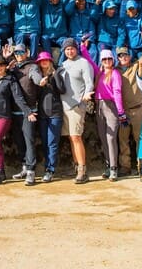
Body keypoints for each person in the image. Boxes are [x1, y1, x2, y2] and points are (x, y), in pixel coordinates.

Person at [0, 54, 37, 185]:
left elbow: (18, 97)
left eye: (2, 65)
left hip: (4, 116)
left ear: (5, 66)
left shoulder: (10, 80)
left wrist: (28, 112)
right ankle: (0, 171)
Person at [80, 42, 126, 181]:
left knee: (111, 138)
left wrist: (120, 112)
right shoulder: (99, 73)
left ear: (113, 60)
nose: (107, 61)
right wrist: (83, 48)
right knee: (103, 137)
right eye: (104, 59)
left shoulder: (115, 74)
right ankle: (108, 165)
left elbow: (117, 93)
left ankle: (114, 168)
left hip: (111, 107)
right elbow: (89, 60)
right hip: (99, 106)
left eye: (109, 59)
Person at [116, 24, 142, 176]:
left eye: (125, 55)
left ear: (129, 56)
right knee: (123, 140)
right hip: (122, 111)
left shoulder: (137, 66)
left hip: (138, 109)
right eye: (120, 55)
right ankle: (125, 166)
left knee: (140, 139)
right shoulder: (115, 71)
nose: (123, 57)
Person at [59, 38, 94, 183]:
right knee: (71, 137)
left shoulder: (83, 63)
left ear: (76, 49)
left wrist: (86, 95)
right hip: (64, 106)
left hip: (77, 106)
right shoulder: (63, 64)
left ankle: (82, 170)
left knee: (76, 137)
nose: (70, 51)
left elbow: (89, 83)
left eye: (72, 48)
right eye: (67, 49)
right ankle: (76, 167)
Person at [9, 43, 42, 185]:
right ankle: (24, 166)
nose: (18, 55)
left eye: (21, 52)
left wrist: (39, 81)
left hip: (29, 112)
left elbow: (36, 77)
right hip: (15, 110)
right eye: (16, 53)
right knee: (19, 141)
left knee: (29, 141)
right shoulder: (12, 67)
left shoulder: (32, 66)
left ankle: (31, 171)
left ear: (27, 52)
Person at [34, 51, 65, 182]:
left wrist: (56, 75)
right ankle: (48, 166)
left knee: (52, 143)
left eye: (46, 60)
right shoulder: (38, 76)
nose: (44, 62)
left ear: (50, 61)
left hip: (55, 113)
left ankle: (50, 169)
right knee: (46, 143)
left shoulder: (56, 73)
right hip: (42, 114)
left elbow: (62, 90)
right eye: (42, 60)